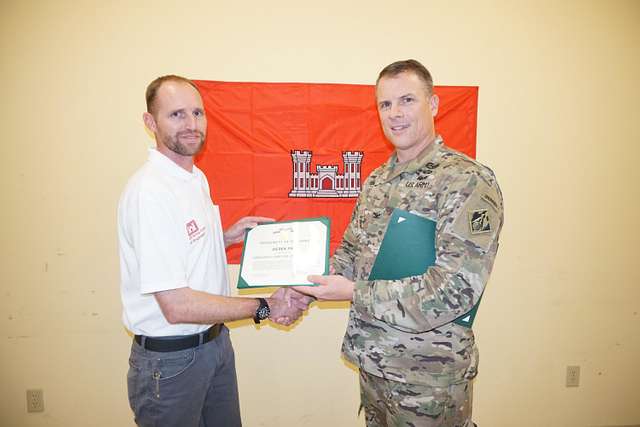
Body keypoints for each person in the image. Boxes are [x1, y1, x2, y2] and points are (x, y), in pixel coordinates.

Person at [294, 60, 503, 427]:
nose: (395, 114)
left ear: (433, 104)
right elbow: (350, 253)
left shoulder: (465, 180)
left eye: (407, 100)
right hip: (375, 367)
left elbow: (454, 290)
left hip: (428, 380)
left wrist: (353, 291)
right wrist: (302, 289)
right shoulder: (378, 180)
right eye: (385, 105)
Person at [118, 75, 311, 427]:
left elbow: (179, 251)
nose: (192, 125)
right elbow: (176, 305)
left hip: (214, 345)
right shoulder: (151, 191)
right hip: (172, 363)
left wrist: (225, 237)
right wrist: (265, 307)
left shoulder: (194, 178)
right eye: (177, 115)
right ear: (150, 122)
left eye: (198, 113)